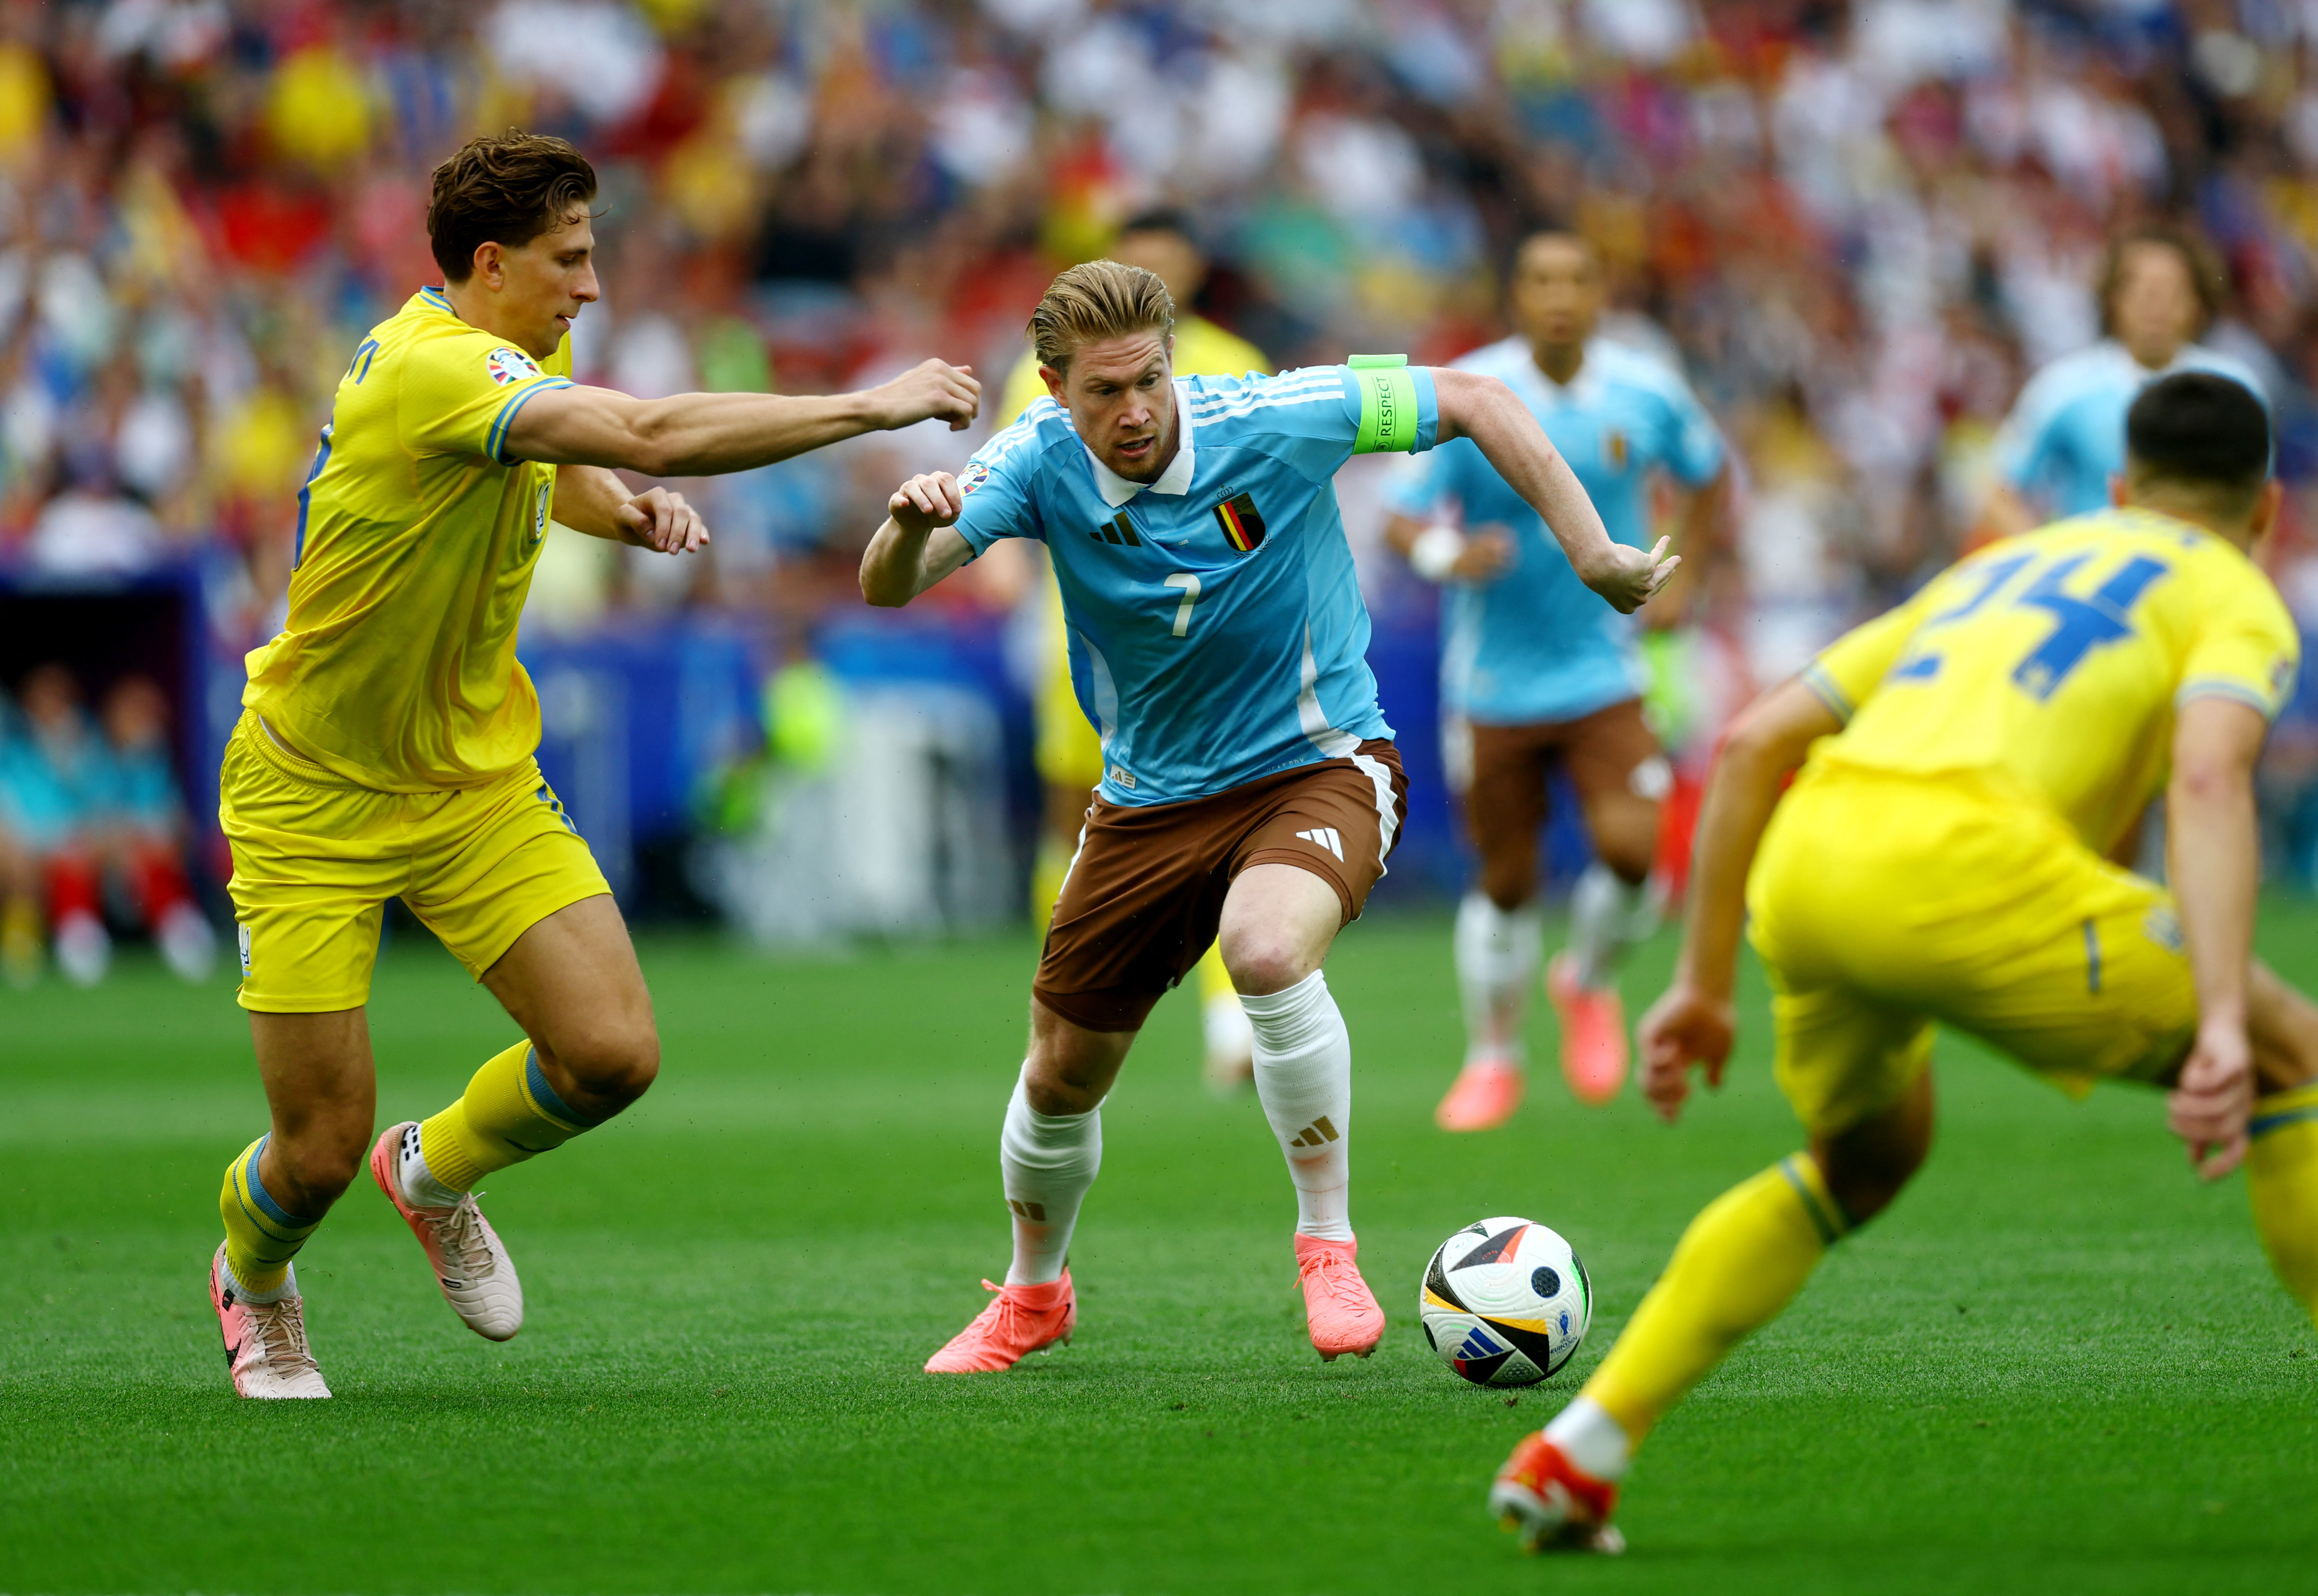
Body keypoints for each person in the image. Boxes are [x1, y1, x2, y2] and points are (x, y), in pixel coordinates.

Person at [1489, 373, 2318, 1553]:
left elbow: (1757, 739)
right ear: (2269, 510)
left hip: (1814, 864)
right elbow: (2209, 779)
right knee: (2303, 1054)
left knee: (1863, 1159)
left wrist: (1702, 985)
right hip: (1970, 866)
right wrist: (2223, 1017)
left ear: (2121, 489)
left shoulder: (2000, 564)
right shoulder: (2232, 591)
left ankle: (1581, 1450)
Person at [209, 130, 979, 1399]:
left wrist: (602, 504)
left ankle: (437, 1169)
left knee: (612, 1053)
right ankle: (255, 1277)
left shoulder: (503, 355)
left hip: (470, 776)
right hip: (313, 793)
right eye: (570, 259)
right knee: (313, 1150)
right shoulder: (425, 368)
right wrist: (869, 405)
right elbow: (654, 431)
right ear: (491, 262)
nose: (593, 285)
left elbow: (529, 460)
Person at [861, 260, 1676, 1374]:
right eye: (1103, 392)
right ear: (1053, 389)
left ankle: (1327, 1246)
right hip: (1147, 802)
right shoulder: (1031, 462)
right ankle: (1034, 1293)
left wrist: (1593, 552)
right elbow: (889, 584)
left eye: (1150, 380)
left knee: (1264, 948)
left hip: (1320, 763)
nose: (1135, 410)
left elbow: (1479, 400)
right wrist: (909, 527)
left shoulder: (1283, 414)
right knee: (1060, 1072)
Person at [1383, 230, 1730, 1133]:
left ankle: (1584, 980)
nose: (1558, 298)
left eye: (1575, 280)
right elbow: (1397, 513)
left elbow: (1707, 473)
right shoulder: (1472, 390)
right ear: (1515, 296)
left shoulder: (1644, 391)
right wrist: (1444, 552)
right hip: (1493, 678)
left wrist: (1683, 581)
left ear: (1599, 293)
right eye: (1539, 281)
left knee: (1630, 854)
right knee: (1504, 881)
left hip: (1603, 665)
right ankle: (1492, 1058)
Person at [999, 209, 1272, 1094]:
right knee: (1071, 814)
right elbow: (1017, 480)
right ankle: (1071, 989)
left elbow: (1265, 499)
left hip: (1205, 644)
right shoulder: (1039, 374)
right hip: (1079, 639)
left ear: (1186, 273)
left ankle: (1228, 1019)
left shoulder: (1231, 362)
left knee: (1223, 823)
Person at [1977, 225, 2264, 542]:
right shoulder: (2064, 387)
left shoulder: (2233, 390)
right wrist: (2057, 558)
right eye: (2142, 291)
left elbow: (2260, 500)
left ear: (2197, 302)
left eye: (2171, 292)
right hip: (2096, 581)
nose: (2156, 306)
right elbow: (2000, 493)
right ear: (2113, 299)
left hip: (2200, 583)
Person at [95, 675, 217, 984]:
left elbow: (172, 822)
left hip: (144, 866)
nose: (142, 723)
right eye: (134, 714)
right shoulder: (92, 756)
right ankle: (80, 938)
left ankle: (181, 933)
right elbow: (88, 818)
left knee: (156, 855)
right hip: (98, 864)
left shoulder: (153, 758)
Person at [0, 665, 113, 986]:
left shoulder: (86, 748)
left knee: (78, 852)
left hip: (74, 840)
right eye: (43, 702)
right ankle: (21, 943)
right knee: (14, 859)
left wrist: (70, 757)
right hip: (25, 842)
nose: (51, 710)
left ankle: (78, 938)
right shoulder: (14, 751)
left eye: (59, 702)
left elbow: (101, 803)